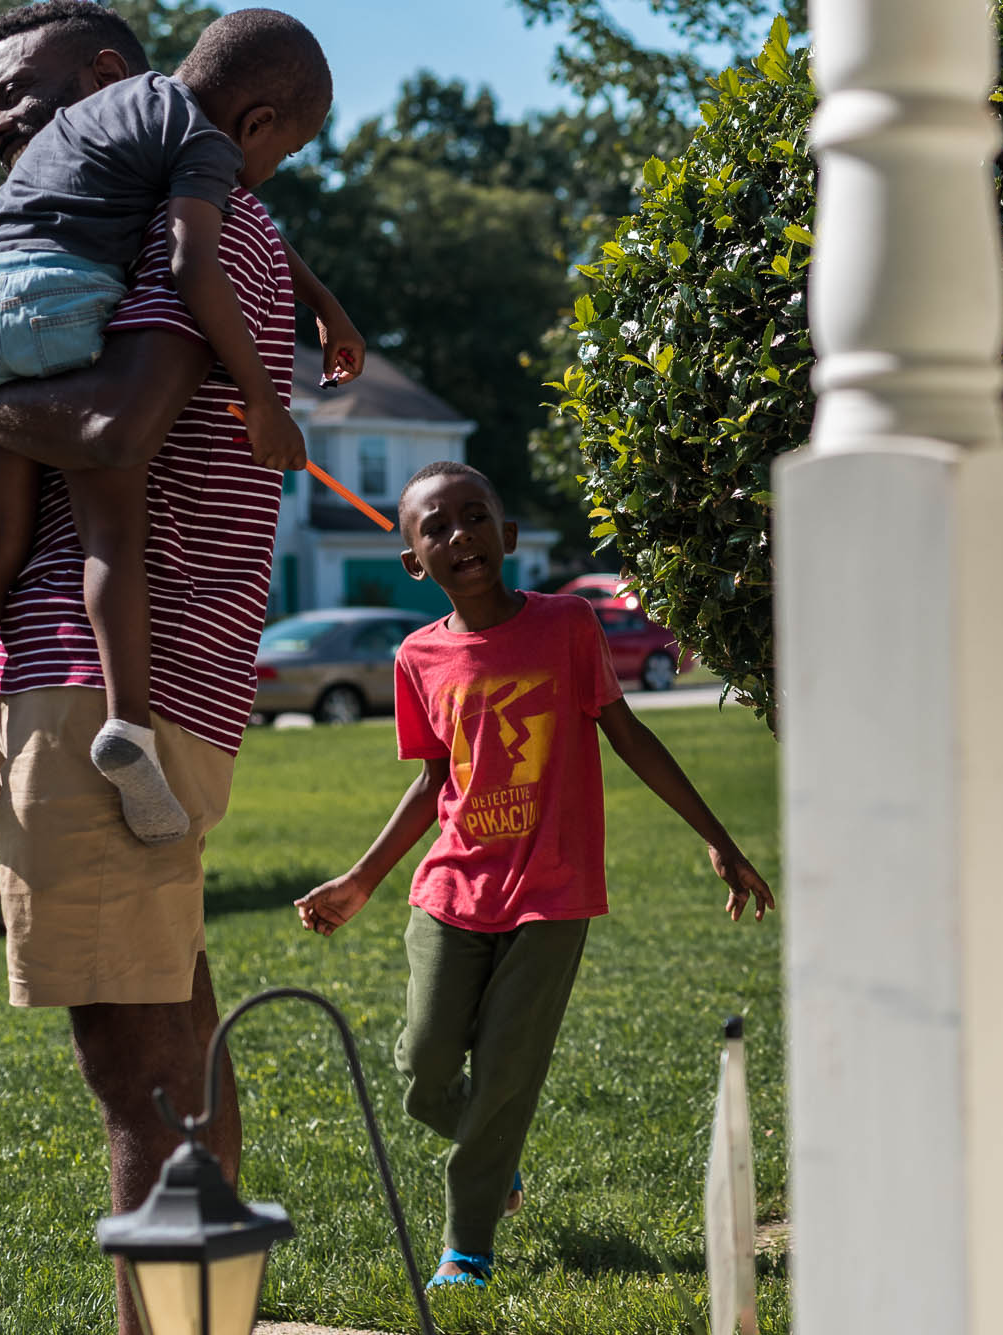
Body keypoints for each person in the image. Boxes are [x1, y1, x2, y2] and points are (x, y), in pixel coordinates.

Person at [0, 7, 346, 1333]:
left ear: (116, 82)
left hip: (89, 695)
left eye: (20, 93)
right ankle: (208, 1322)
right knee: (182, 1051)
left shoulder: (156, 240)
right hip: (150, 698)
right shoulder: (180, 229)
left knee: (140, 1081)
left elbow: (116, 425)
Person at [293, 460, 777, 1288]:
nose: (460, 536)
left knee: (508, 1075)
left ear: (507, 534)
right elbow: (431, 781)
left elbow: (628, 736)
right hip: (451, 893)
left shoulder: (568, 624)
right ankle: (494, 1149)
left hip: (552, 894)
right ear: (415, 561)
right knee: (424, 1074)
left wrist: (718, 837)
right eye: (435, 528)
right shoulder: (417, 658)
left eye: (474, 516)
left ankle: (467, 1245)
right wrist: (361, 878)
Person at [0, 4, 361, 848]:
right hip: (61, 304)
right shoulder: (203, 147)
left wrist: (324, 301)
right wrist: (264, 399)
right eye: (280, 153)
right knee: (111, 537)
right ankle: (129, 725)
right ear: (257, 122)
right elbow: (195, 259)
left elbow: (226, 192)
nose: (260, 175)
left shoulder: (95, 121)